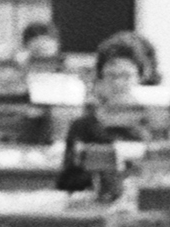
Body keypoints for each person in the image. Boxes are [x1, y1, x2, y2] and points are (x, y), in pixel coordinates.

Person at [55, 31, 162, 194]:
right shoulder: (82, 126)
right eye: (111, 75)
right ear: (101, 78)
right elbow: (66, 182)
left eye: (126, 76)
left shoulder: (156, 123)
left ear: (141, 77)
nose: (118, 83)